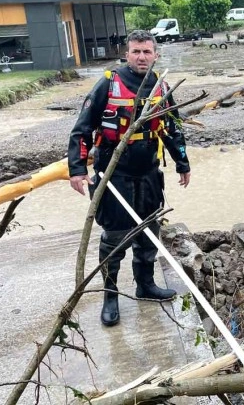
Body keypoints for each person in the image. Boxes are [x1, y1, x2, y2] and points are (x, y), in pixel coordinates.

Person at [67, 30, 192, 327]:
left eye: (147, 52)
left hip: (148, 173)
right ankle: (110, 296)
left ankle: (145, 285)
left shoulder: (161, 86)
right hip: (114, 175)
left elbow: (173, 129)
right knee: (114, 238)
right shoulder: (109, 84)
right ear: (127, 54)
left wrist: (182, 162)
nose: (141, 57)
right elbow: (81, 129)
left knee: (149, 231)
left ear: (156, 55)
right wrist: (77, 169)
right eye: (136, 51)